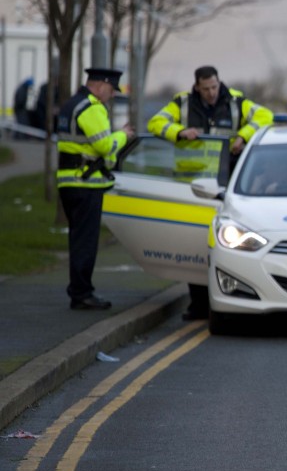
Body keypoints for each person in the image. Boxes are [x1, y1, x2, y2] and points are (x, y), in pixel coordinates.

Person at [147, 65, 274, 321]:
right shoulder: (182, 103)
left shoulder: (235, 101)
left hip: (225, 186)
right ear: (197, 87)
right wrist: (179, 132)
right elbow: (155, 123)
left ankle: (225, 296)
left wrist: (243, 135)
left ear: (219, 82)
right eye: (205, 89)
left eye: (214, 87)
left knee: (224, 244)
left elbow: (265, 116)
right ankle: (198, 305)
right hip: (192, 187)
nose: (211, 93)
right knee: (193, 244)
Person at [56, 68, 135, 310]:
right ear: (101, 85)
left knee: (78, 238)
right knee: (85, 241)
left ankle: (79, 290)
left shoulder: (72, 104)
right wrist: (123, 135)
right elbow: (104, 145)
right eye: (111, 90)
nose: (111, 95)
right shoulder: (91, 106)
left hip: (69, 181)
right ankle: (82, 294)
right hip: (85, 185)